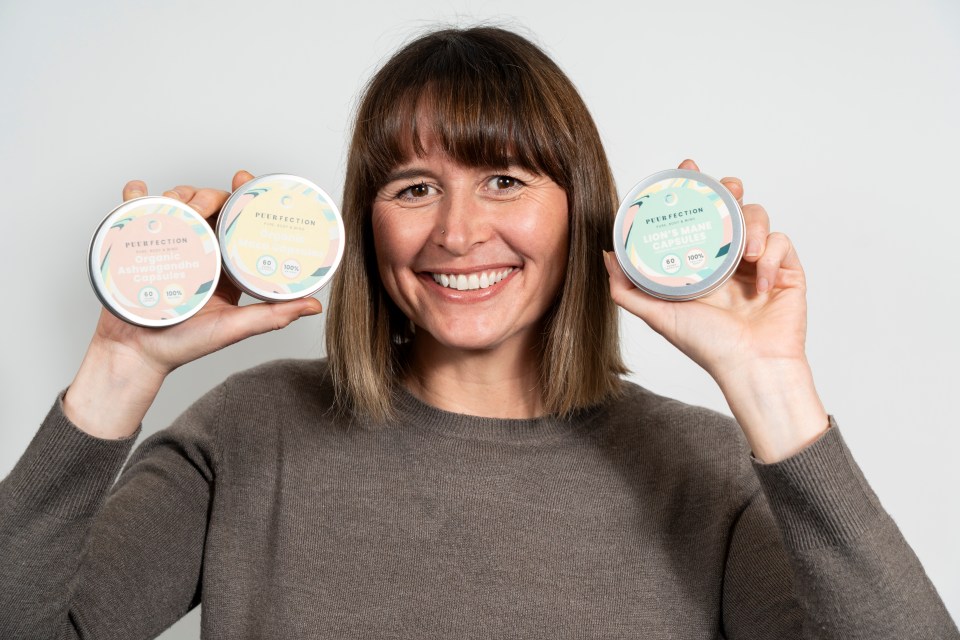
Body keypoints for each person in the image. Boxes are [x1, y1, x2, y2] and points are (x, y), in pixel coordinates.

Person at [0, 25, 956, 639]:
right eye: (415, 188)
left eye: (505, 179)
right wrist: (121, 363)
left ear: (582, 208)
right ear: (363, 223)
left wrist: (772, 385)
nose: (458, 232)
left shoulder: (702, 468)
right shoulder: (250, 432)